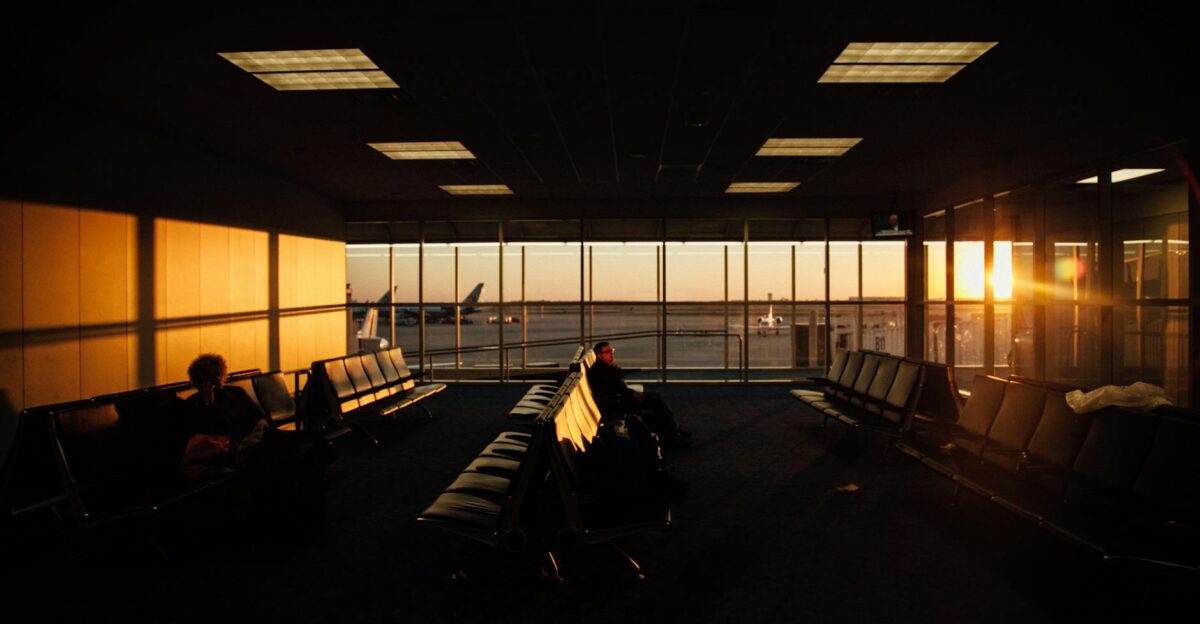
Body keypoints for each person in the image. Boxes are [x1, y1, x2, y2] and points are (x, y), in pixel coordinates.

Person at [182, 353, 333, 531]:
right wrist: (209, 403)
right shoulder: (195, 405)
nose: (216, 380)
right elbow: (208, 434)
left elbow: (258, 417)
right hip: (234, 449)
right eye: (210, 377)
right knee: (284, 450)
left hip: (257, 439)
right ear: (201, 381)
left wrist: (259, 429)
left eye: (217, 374)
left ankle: (311, 471)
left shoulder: (235, 393)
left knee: (302, 442)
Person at [587, 342, 692, 447]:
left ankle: (673, 430)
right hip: (618, 402)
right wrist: (632, 393)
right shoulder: (600, 371)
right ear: (599, 355)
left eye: (612, 351)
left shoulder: (603, 367)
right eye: (607, 352)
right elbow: (612, 390)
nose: (611, 354)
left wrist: (631, 392)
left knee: (655, 397)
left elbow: (615, 388)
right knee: (655, 400)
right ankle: (673, 435)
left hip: (621, 398)